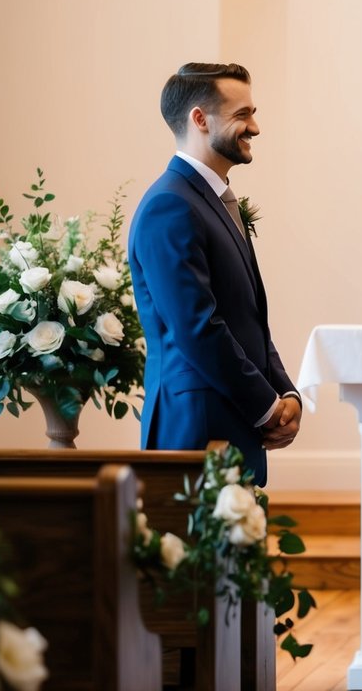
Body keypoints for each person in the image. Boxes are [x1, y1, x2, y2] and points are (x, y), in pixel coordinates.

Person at [129, 62, 301, 488]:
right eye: (242, 115)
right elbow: (197, 327)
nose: (255, 127)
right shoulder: (169, 205)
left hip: (231, 418)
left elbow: (248, 319)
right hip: (197, 429)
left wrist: (286, 394)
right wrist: (265, 406)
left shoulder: (214, 200)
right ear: (200, 119)